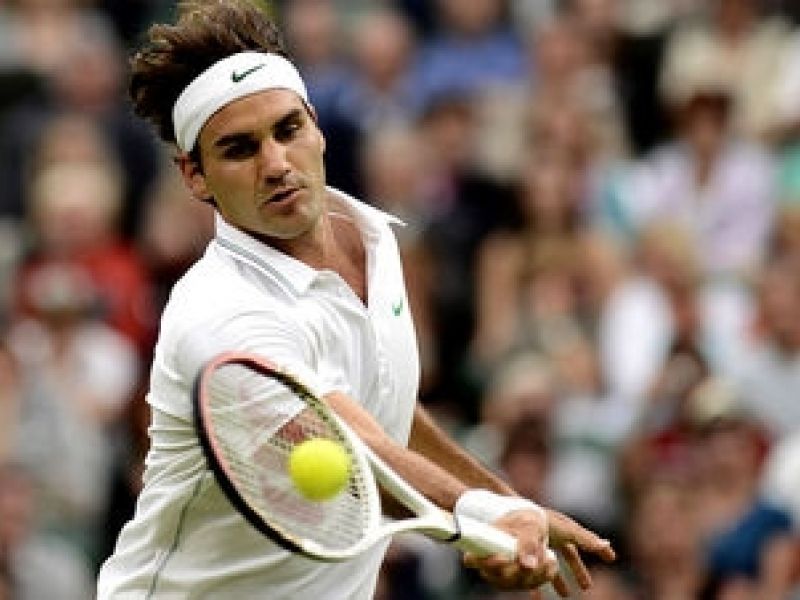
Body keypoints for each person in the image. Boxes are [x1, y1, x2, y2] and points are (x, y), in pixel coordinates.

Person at [96, 2, 614, 598]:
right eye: (240, 149)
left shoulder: (374, 238)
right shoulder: (219, 317)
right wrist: (483, 519)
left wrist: (507, 504)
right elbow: (356, 455)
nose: (276, 164)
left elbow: (385, 410)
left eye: (288, 129)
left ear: (315, 125)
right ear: (194, 175)